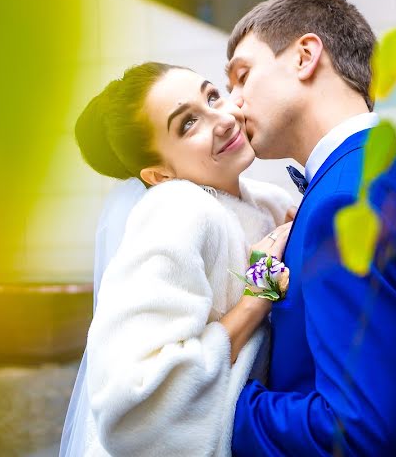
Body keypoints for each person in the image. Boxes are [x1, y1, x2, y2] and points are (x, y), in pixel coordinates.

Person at [225, 0, 396, 456]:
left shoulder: (341, 204)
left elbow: (357, 431)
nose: (232, 104)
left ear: (305, 56)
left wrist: (224, 408)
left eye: (241, 77)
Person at [59, 62, 296, 457]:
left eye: (212, 96)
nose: (221, 120)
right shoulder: (177, 210)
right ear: (159, 175)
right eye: (187, 124)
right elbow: (132, 403)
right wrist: (258, 296)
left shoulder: (269, 202)